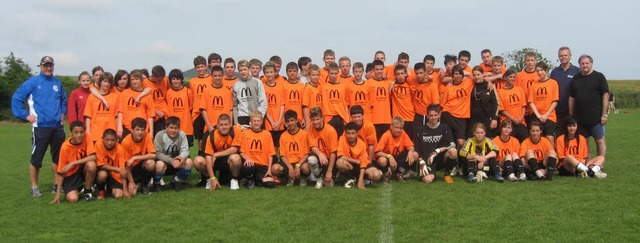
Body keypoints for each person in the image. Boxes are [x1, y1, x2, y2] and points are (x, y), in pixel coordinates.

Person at [11, 56, 67, 197]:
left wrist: (62, 113)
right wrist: (25, 115)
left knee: (57, 158)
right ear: (41, 67)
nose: (48, 68)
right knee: (37, 159)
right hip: (40, 127)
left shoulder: (57, 83)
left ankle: (56, 185)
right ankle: (34, 187)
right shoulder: (33, 82)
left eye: (50, 66)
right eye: (45, 66)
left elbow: (63, 100)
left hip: (57, 127)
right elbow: (16, 98)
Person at [569, 54, 609, 166]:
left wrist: (604, 114)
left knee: (600, 141)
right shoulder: (576, 79)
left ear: (591, 64)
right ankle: (589, 164)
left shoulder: (599, 77)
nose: (585, 65)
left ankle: (599, 165)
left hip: (596, 118)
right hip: (580, 118)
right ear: (579, 65)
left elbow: (605, 96)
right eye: (582, 63)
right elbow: (572, 97)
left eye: (587, 63)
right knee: (584, 143)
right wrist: (571, 113)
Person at [50, 121, 97, 204]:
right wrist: (57, 194)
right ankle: (77, 188)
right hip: (71, 175)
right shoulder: (65, 147)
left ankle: (87, 191)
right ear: (71, 133)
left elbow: (93, 157)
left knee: (91, 165)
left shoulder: (87, 137)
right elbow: (61, 171)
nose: (79, 135)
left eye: (81, 132)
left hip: (82, 169)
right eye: (76, 132)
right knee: (73, 199)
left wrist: (73, 163)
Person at [193, 114, 242, 190]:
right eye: (221, 125)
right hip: (214, 161)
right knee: (197, 161)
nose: (224, 127)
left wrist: (216, 154)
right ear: (217, 126)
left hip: (228, 160)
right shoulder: (211, 136)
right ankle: (209, 179)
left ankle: (234, 179)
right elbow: (208, 158)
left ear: (230, 125)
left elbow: (234, 149)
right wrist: (212, 177)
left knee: (236, 158)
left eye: (226, 124)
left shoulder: (236, 131)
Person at [412, 105, 457, 184]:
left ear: (439, 115)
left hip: (440, 158)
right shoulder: (420, 130)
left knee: (453, 151)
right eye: (431, 115)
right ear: (427, 116)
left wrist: (437, 151)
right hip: (427, 160)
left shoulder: (445, 128)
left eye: (435, 115)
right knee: (428, 180)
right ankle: (425, 172)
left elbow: (452, 144)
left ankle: (447, 175)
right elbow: (416, 148)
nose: (433, 118)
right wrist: (421, 160)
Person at [235, 111, 277, 188]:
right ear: (250, 122)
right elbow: (241, 151)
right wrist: (248, 159)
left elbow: (271, 154)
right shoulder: (245, 133)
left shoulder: (267, 134)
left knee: (270, 185)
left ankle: (255, 180)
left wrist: (269, 170)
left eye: (258, 121)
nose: (256, 123)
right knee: (248, 168)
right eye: (254, 121)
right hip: (250, 164)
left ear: (262, 122)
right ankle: (249, 178)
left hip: (262, 166)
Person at [336, 122, 383, 189]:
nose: (350, 136)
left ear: (357, 133)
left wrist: (360, 182)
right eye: (348, 133)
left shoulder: (362, 144)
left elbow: (363, 164)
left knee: (376, 175)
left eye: (353, 133)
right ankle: (352, 178)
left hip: (361, 165)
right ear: (345, 133)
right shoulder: (342, 139)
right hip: (350, 164)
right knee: (339, 162)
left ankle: (362, 179)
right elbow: (340, 156)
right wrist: (354, 161)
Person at [153, 117, 193, 192]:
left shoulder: (182, 134)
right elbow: (158, 153)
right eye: (171, 128)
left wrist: (180, 158)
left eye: (176, 128)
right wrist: (171, 161)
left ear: (179, 128)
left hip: (177, 162)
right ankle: (156, 183)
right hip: (165, 162)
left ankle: (176, 181)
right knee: (159, 165)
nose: (173, 130)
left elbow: (185, 150)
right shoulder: (160, 135)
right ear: (166, 127)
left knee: (189, 162)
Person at [272, 110, 311, 186]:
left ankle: (303, 178)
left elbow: (307, 154)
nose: (290, 123)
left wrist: (298, 165)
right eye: (288, 121)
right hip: (288, 163)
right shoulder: (283, 136)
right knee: (274, 168)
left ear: (296, 120)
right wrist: (290, 167)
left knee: (306, 168)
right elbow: (282, 155)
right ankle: (288, 177)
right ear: (285, 123)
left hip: (300, 163)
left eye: (292, 120)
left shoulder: (304, 134)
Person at [374, 117, 418, 182]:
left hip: (398, 158)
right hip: (387, 158)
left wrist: (410, 152)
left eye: (400, 128)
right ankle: (386, 174)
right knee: (382, 160)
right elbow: (377, 152)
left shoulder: (403, 133)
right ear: (391, 127)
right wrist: (389, 156)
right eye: (396, 128)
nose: (398, 130)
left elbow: (411, 146)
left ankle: (402, 172)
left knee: (415, 154)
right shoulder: (386, 135)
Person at [440, 64, 474, 150]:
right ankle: (450, 160)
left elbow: (475, 78)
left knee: (461, 142)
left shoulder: (468, 82)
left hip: (462, 117)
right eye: (455, 74)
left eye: (459, 73)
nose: (457, 76)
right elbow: (442, 105)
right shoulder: (448, 88)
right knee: (448, 140)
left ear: (462, 75)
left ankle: (459, 159)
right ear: (452, 76)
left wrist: (489, 83)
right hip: (448, 114)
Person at [121, 118, 157, 195]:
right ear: (131, 130)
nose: (140, 132)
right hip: (130, 169)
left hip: (140, 165)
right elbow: (126, 165)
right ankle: (135, 183)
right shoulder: (126, 142)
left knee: (151, 163)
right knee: (132, 193)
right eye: (137, 130)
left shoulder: (146, 136)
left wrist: (135, 157)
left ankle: (144, 185)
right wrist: (131, 182)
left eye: (142, 130)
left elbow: (154, 155)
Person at [550, 47, 581, 134]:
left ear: (570, 56)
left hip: (573, 111)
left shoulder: (577, 71)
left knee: (573, 136)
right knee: (559, 136)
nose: (563, 57)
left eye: (565, 55)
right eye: (561, 56)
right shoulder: (554, 72)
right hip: (558, 110)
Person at [116, 69, 155, 140]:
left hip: (142, 130)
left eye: (137, 79)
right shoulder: (125, 93)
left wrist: (151, 132)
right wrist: (119, 127)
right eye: (132, 79)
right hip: (127, 128)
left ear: (141, 80)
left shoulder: (147, 96)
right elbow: (120, 111)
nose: (134, 81)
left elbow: (150, 115)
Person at [529, 62, 559, 148]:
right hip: (537, 116)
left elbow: (555, 101)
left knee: (549, 138)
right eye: (537, 71)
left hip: (549, 116)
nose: (539, 73)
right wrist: (538, 115)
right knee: (536, 138)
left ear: (546, 70)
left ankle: (552, 158)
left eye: (541, 70)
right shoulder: (534, 84)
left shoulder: (553, 83)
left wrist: (546, 115)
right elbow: (531, 101)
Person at [307, 106, 339, 189]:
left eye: (317, 119)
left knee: (329, 185)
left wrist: (329, 171)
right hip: (320, 158)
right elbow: (312, 146)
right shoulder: (310, 129)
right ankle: (319, 177)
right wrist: (320, 155)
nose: (315, 122)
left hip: (330, 159)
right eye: (313, 120)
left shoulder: (331, 130)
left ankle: (333, 174)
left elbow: (333, 152)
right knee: (311, 159)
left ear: (322, 118)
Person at [94, 129, 130, 199]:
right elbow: (100, 165)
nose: (109, 142)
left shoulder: (119, 148)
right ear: (102, 139)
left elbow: (123, 170)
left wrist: (125, 190)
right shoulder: (98, 145)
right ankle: (101, 190)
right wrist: (117, 169)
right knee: (102, 175)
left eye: (112, 140)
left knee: (118, 196)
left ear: (117, 140)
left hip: (115, 175)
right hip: (103, 171)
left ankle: (109, 189)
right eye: (107, 140)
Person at [84, 72, 118, 143]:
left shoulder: (115, 97)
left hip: (110, 132)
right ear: (100, 82)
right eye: (104, 81)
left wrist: (117, 130)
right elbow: (88, 115)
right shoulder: (91, 97)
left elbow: (116, 116)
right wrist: (87, 130)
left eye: (109, 82)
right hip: (95, 131)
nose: (106, 84)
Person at [199, 66, 233, 135]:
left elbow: (230, 110)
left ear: (223, 76)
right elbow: (203, 110)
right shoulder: (206, 90)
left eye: (219, 75)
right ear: (211, 76)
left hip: (225, 127)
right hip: (210, 127)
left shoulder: (227, 91)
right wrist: (209, 126)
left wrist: (230, 125)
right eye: (215, 76)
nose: (217, 78)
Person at [232, 60, 267, 127]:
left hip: (256, 117)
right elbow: (235, 105)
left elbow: (263, 102)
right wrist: (236, 122)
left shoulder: (257, 82)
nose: (243, 72)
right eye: (241, 70)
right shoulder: (236, 85)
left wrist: (258, 117)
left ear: (249, 69)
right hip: (241, 118)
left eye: (245, 69)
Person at [496, 70, 529, 142]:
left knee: (526, 141)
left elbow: (523, 105)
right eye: (510, 77)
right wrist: (513, 119)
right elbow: (501, 109)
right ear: (505, 78)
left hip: (521, 121)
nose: (512, 79)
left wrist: (521, 118)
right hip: (508, 122)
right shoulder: (500, 92)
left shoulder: (519, 89)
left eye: (514, 77)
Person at [165, 69, 194, 147]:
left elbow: (191, 108)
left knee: (186, 154)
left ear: (181, 79)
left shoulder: (188, 92)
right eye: (173, 79)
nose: (175, 81)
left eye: (178, 79)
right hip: (173, 128)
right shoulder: (168, 93)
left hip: (186, 128)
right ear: (170, 80)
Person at [189, 56, 213, 149]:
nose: (200, 69)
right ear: (195, 68)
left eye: (202, 66)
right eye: (198, 67)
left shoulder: (211, 78)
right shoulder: (192, 81)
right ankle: (200, 157)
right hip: (197, 113)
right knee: (200, 140)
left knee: (210, 137)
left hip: (209, 112)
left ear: (206, 67)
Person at [468, 65, 498, 138]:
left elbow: (495, 103)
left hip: (486, 119)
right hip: (473, 119)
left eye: (478, 74)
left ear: (483, 74)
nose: (476, 77)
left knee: (487, 140)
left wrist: (494, 119)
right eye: (474, 75)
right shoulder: (471, 84)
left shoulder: (489, 86)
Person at [320, 62, 349, 136]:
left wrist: (347, 120)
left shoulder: (343, 87)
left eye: (335, 73)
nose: (333, 76)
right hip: (328, 118)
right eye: (331, 73)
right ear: (328, 73)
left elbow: (346, 105)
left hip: (341, 117)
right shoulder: (323, 87)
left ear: (338, 73)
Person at [367, 60, 393, 139]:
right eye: (377, 69)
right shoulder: (368, 83)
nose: (379, 71)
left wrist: (393, 82)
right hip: (374, 120)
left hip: (387, 119)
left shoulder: (389, 83)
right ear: (373, 70)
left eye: (381, 69)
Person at [262, 62, 285, 152]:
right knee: (270, 148)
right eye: (267, 72)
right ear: (264, 74)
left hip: (279, 122)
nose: (269, 74)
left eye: (271, 72)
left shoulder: (280, 87)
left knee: (280, 148)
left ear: (275, 73)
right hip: (268, 122)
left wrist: (279, 121)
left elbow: (282, 105)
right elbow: (264, 106)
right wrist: (271, 121)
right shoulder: (262, 87)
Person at [411, 62, 440, 133]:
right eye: (417, 73)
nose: (418, 75)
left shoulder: (432, 85)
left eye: (421, 73)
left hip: (427, 116)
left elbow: (436, 104)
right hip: (417, 116)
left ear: (425, 72)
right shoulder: (413, 82)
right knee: (417, 138)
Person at [144, 65, 170, 137]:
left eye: (162, 79)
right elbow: (145, 102)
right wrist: (156, 111)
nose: (161, 81)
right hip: (152, 116)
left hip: (164, 115)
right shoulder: (145, 83)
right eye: (159, 80)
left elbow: (168, 95)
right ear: (153, 76)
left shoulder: (165, 80)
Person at [390, 65, 416, 136]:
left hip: (410, 118)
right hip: (398, 119)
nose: (400, 76)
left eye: (402, 73)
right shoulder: (392, 86)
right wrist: (392, 83)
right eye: (398, 74)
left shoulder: (410, 84)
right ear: (395, 75)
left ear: (405, 74)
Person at [516, 52, 539, 125]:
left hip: (536, 109)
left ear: (535, 61)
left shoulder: (539, 74)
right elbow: (516, 91)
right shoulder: (519, 75)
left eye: (532, 60)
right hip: (524, 110)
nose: (530, 62)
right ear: (525, 61)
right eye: (528, 60)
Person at [302, 64, 323, 130]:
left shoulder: (320, 87)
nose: (315, 77)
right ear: (309, 76)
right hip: (312, 119)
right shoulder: (308, 88)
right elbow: (305, 106)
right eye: (313, 75)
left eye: (317, 75)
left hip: (320, 118)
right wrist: (307, 122)